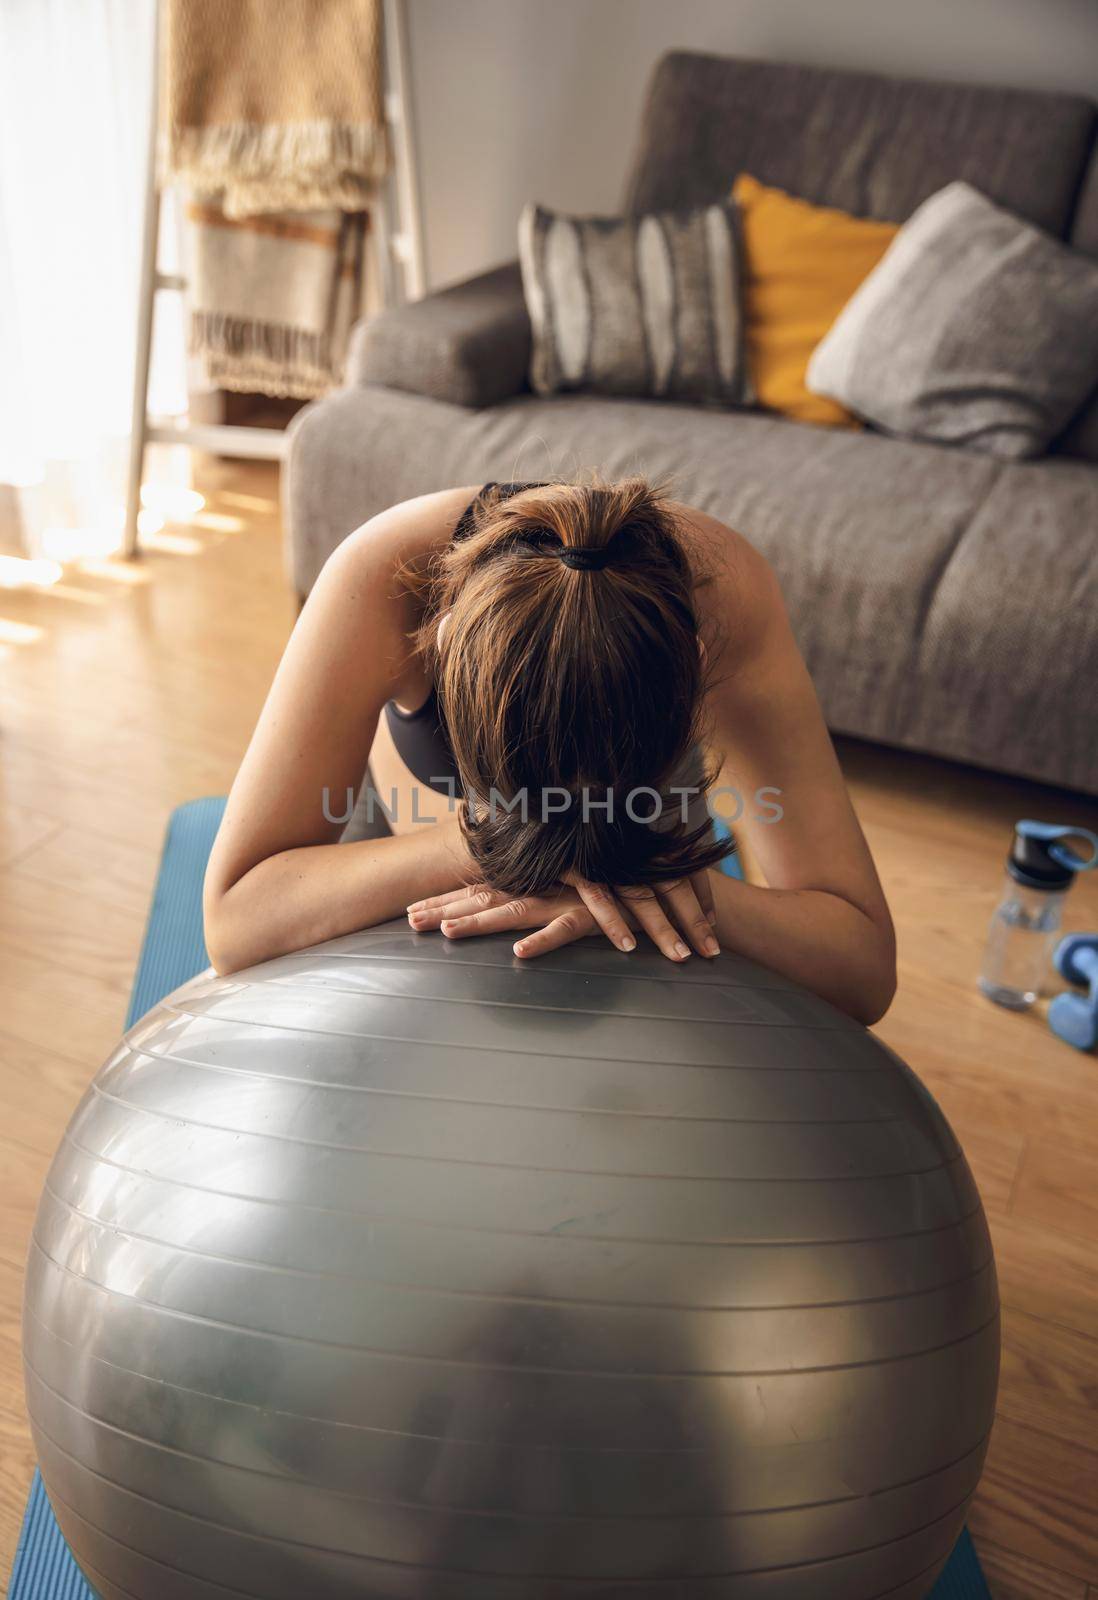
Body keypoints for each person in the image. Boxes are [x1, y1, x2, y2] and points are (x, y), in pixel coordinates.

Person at [203, 477, 896, 1023]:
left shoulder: (723, 591)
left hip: (643, 860)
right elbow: (235, 921)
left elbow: (862, 970)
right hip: (413, 834)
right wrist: (481, 848)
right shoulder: (386, 573)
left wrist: (690, 886)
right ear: (446, 647)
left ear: (692, 666)